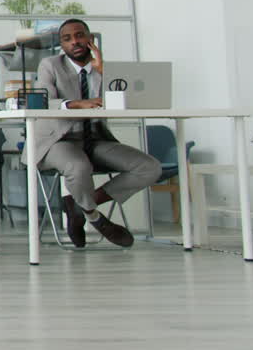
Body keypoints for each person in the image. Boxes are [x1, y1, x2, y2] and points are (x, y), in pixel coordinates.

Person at [33, 19, 162, 248]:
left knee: (149, 167)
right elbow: (43, 101)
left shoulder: (103, 68)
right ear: (61, 45)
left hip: (95, 139)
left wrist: (103, 72)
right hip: (59, 140)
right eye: (67, 39)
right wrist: (76, 104)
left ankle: (77, 204)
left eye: (79, 35)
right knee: (78, 167)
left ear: (90, 39)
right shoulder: (50, 65)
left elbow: (126, 102)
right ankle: (94, 217)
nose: (75, 42)